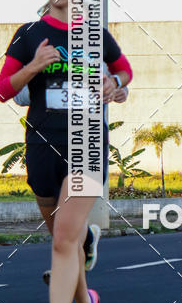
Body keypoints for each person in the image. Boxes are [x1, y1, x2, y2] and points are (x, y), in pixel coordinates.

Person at [0, 0, 132, 303]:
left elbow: (124, 70)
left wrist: (116, 82)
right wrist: (35, 66)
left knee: (62, 240)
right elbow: (3, 89)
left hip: (87, 144)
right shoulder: (29, 35)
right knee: (66, 242)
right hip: (42, 146)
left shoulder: (95, 34)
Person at [13, 71, 130, 285]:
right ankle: (87, 240)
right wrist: (46, 87)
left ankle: (66, 271)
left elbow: (119, 85)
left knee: (68, 212)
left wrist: (117, 91)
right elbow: (19, 95)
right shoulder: (37, 50)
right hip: (47, 144)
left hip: (85, 144)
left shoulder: (93, 46)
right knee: (59, 212)